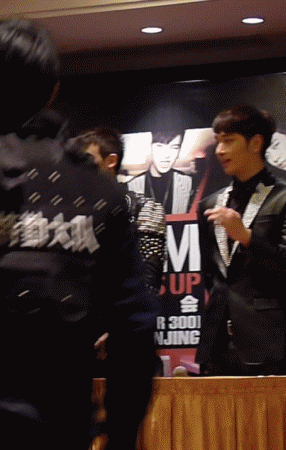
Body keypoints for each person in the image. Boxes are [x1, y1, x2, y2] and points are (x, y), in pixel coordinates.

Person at [0, 18, 158, 450]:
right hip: (60, 424)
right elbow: (135, 330)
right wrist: (121, 436)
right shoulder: (100, 191)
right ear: (53, 89)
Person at [195, 104, 286, 376]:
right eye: (217, 141)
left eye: (229, 141)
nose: (220, 150)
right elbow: (210, 275)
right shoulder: (210, 204)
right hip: (215, 344)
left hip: (268, 343)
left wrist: (247, 237)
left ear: (256, 143)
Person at [76, 126, 166, 294]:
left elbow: (148, 284)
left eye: (87, 158)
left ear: (111, 161)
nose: (80, 166)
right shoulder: (70, 210)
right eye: (76, 160)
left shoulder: (145, 209)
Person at [128, 128, 193, 214]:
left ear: (179, 150)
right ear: (150, 147)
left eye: (174, 147)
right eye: (159, 146)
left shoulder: (189, 183)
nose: (166, 155)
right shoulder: (131, 185)